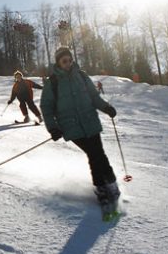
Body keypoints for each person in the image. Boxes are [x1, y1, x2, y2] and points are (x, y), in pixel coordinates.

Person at [40, 46, 120, 215]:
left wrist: (106, 107)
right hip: (71, 127)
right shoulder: (52, 82)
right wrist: (53, 128)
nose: (68, 63)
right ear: (58, 63)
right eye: (64, 61)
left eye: (70, 60)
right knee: (94, 154)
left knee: (98, 154)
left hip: (90, 122)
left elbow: (94, 97)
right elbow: (46, 108)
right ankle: (102, 188)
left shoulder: (82, 76)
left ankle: (110, 184)